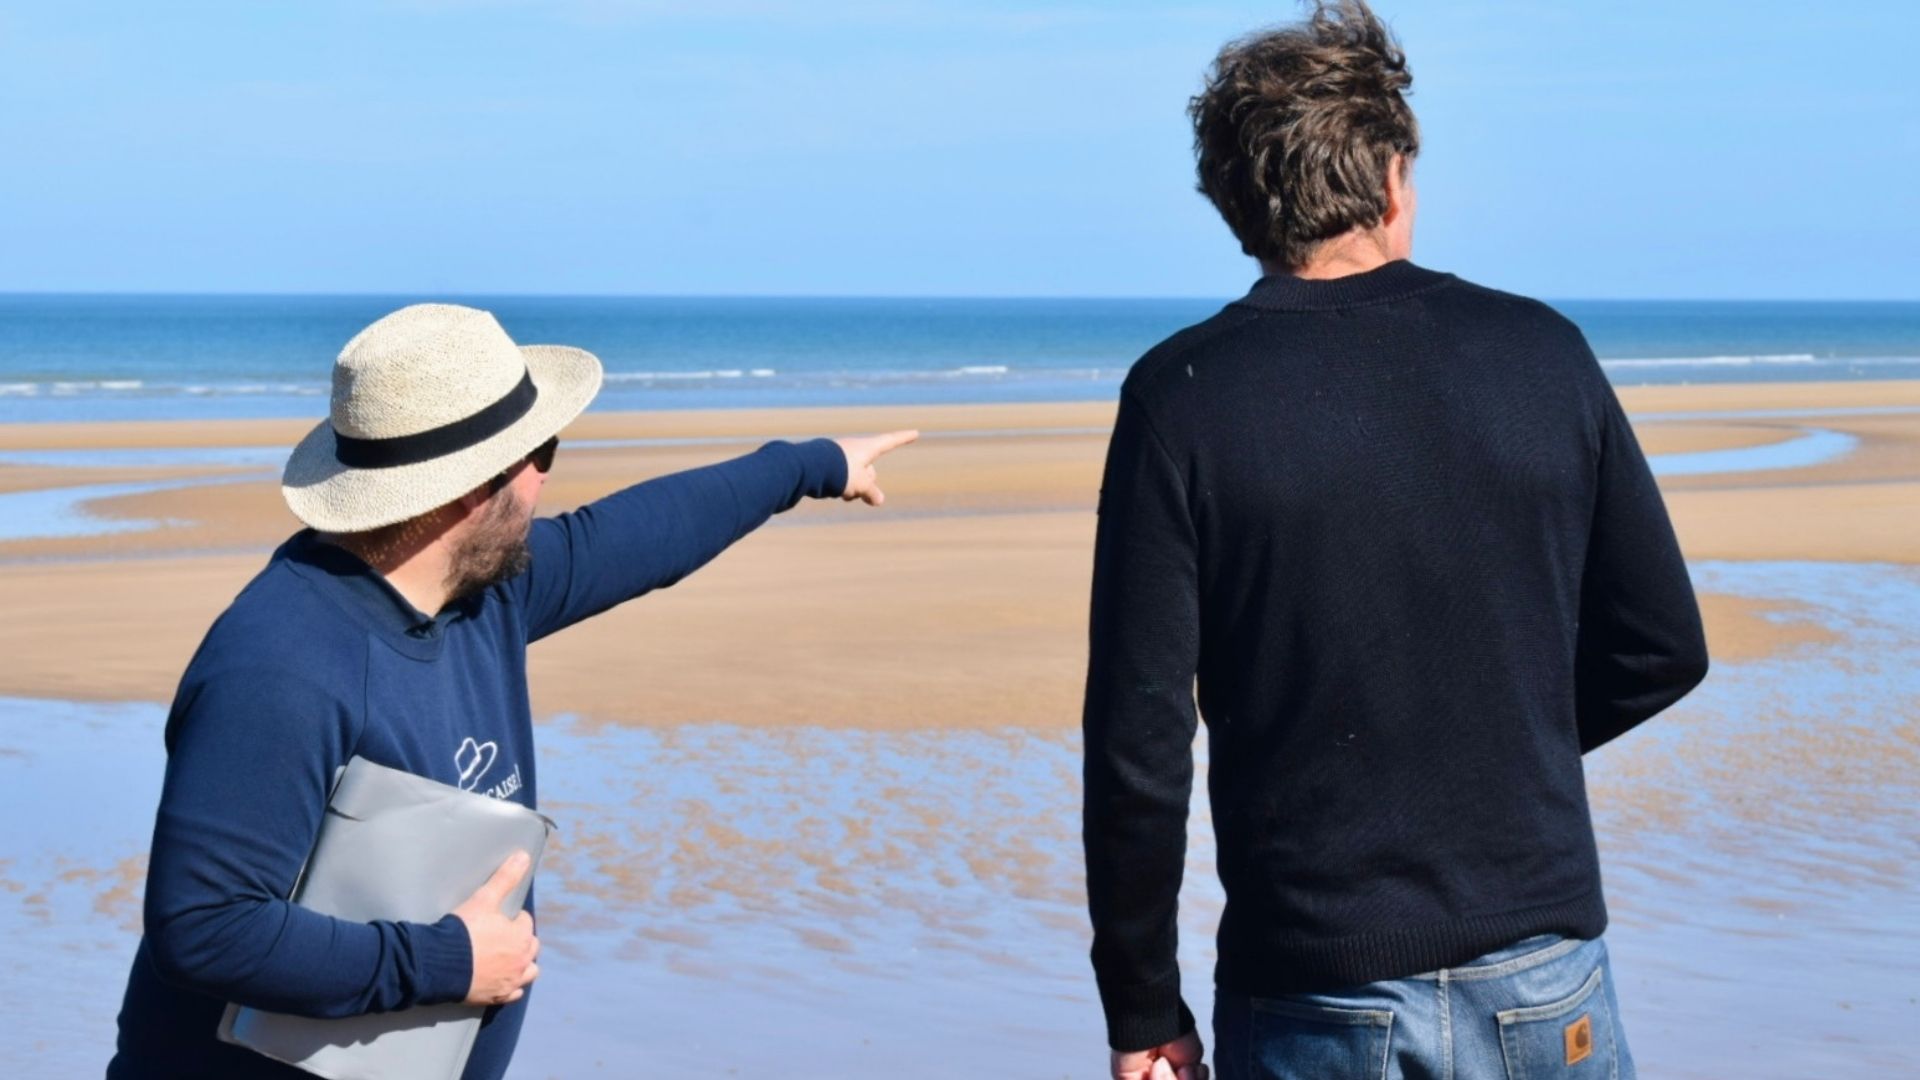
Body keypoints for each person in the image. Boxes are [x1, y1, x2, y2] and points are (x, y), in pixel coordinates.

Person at [1080, 3, 1708, 1077]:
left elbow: (1139, 743)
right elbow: (1659, 647)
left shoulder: (1183, 397)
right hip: (1539, 973)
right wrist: (1498, 749)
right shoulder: (1542, 354)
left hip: (1317, 984)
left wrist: (1141, 1004)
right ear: (1391, 181)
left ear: (1234, 203)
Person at [106, 302, 917, 1078]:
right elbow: (206, 928)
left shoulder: (479, 592)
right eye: (543, 452)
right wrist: (448, 962)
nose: (545, 479)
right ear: (472, 487)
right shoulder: (283, 666)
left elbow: (643, 532)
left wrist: (813, 465)